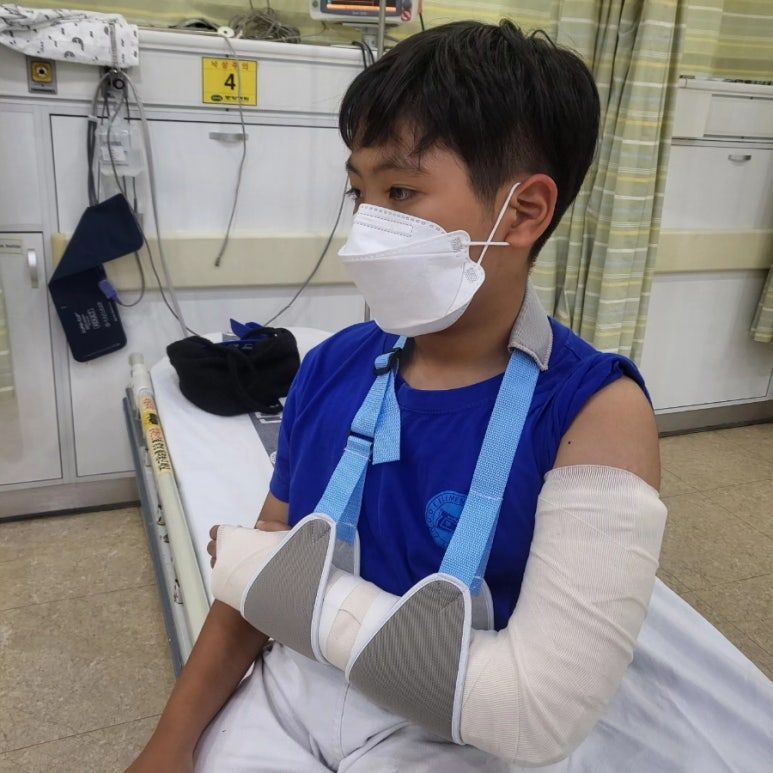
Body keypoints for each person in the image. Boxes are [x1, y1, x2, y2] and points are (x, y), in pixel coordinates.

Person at [128, 19, 663, 773]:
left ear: (523, 211)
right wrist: (169, 742)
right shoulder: (330, 367)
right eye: (360, 193)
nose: (366, 229)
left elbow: (535, 708)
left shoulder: (596, 413)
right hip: (293, 690)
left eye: (400, 191)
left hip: (453, 728)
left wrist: (264, 574)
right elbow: (263, 580)